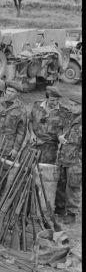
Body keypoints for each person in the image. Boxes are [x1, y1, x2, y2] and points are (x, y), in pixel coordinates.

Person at [54, 93, 81, 224]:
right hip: (63, 157)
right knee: (60, 184)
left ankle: (71, 214)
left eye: (76, 105)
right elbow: (59, 127)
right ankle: (59, 209)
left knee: (73, 187)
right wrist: (59, 136)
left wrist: (78, 158)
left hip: (76, 161)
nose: (72, 107)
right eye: (71, 105)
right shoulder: (68, 116)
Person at [0, 80, 27, 158]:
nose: (9, 93)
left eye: (12, 91)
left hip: (7, 149)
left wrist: (15, 149)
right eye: (8, 90)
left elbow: (21, 132)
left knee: (3, 168)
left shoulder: (21, 109)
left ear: (18, 94)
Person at [27, 85, 70, 164]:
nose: (55, 102)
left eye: (57, 100)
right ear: (46, 98)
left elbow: (65, 131)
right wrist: (32, 135)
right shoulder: (37, 105)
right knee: (24, 169)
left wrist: (60, 137)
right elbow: (30, 121)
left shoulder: (64, 112)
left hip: (49, 148)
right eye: (52, 100)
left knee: (43, 172)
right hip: (33, 144)